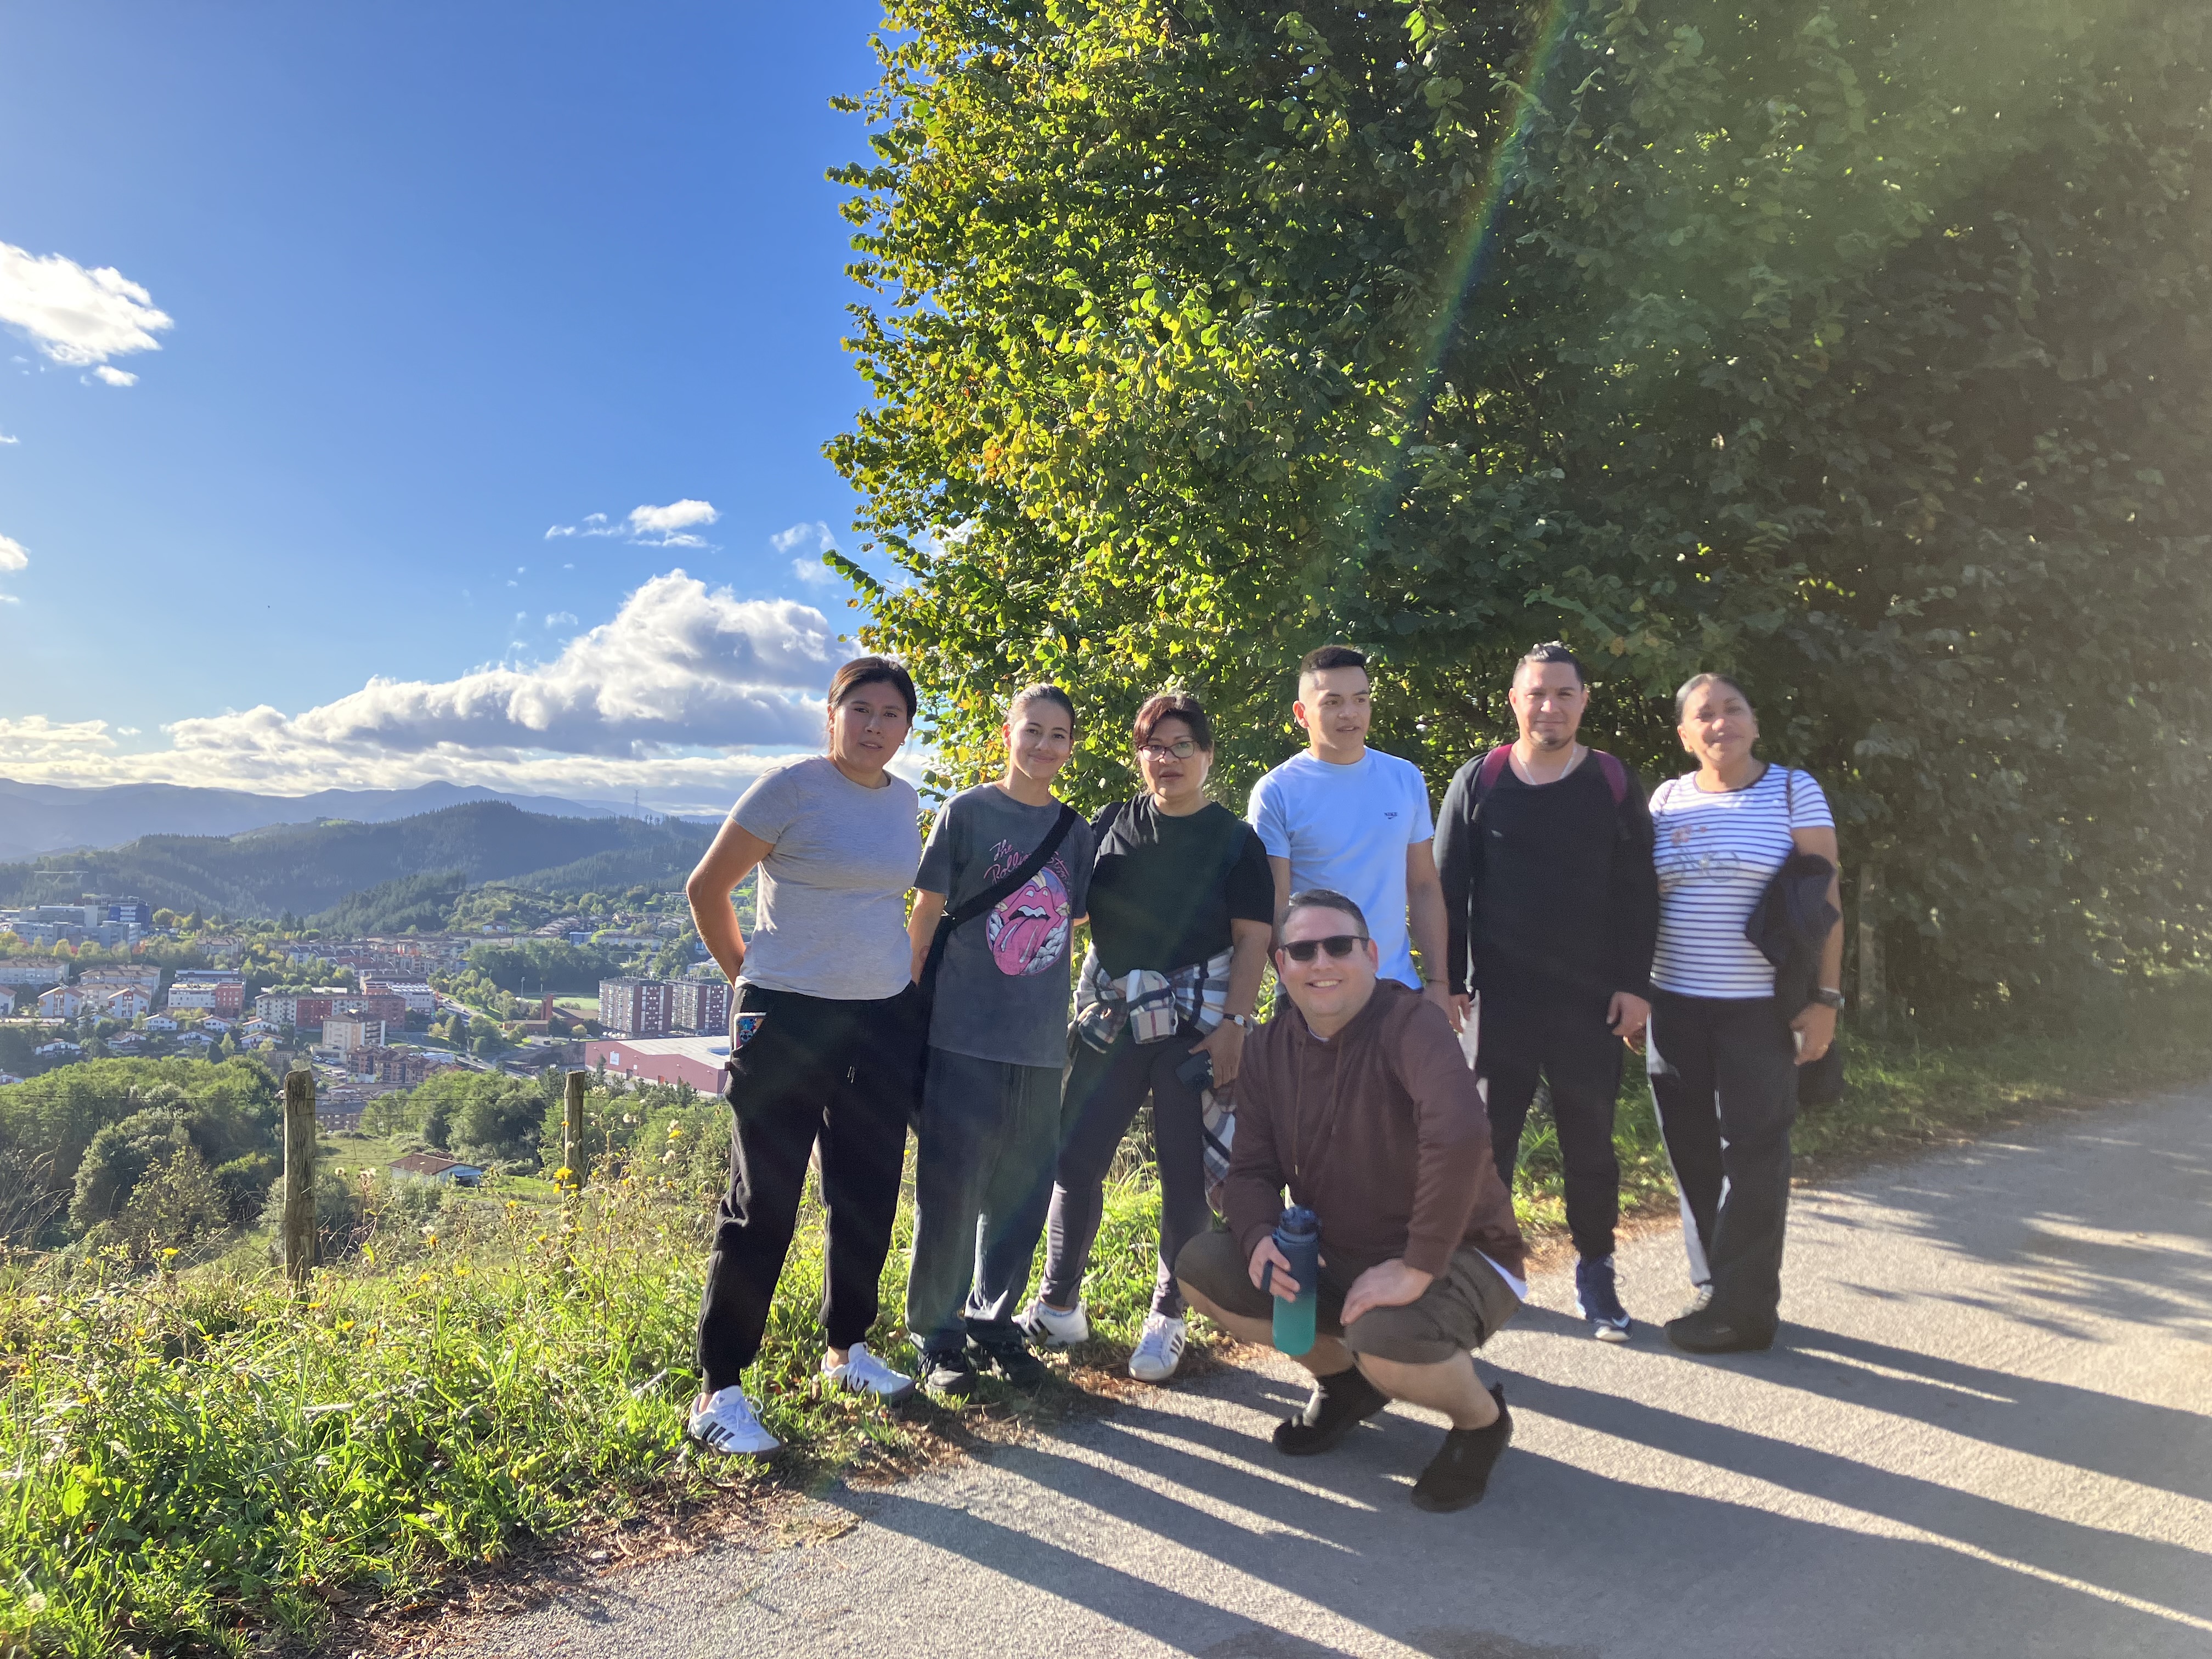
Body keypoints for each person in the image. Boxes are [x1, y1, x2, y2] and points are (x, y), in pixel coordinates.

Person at [1176, 889, 1528, 1513]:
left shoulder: (1412, 1024)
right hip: (1341, 1253)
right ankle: (1346, 1386)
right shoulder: (1268, 1048)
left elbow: (1460, 1133)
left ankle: (1481, 1421)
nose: (1321, 962)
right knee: (1205, 1269)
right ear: (1281, 965)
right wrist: (1258, 1239)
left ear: (1370, 954)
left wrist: (1417, 1264)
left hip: (1462, 1251)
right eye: (1303, 951)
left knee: (1382, 1338)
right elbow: (1250, 1171)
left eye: (1339, 946)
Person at [681, 655, 928, 1454]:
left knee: (867, 1192)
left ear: (906, 728)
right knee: (764, 1203)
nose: (874, 727)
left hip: (880, 1018)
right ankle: (719, 1391)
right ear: (832, 715)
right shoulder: (789, 788)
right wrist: (750, 978)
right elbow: (707, 889)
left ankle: (846, 1351)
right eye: (861, 710)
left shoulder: (905, 802)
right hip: (787, 1018)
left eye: (891, 715)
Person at [1015, 691, 1272, 1383]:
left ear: (1207, 755)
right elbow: (1065, 913)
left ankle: (1169, 1316)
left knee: (1183, 1176)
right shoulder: (1110, 825)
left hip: (1197, 1022)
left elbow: (1253, 940)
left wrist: (1235, 1027)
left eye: (1183, 745)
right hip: (1116, 1013)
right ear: (1139, 756)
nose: (1168, 759)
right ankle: (1059, 1305)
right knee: (1076, 1159)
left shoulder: (1236, 841)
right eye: (1155, 747)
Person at [1434, 641, 1659, 1341]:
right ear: (1515, 701)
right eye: (1537, 693)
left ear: (1584, 701)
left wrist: (1635, 987)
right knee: (1487, 1145)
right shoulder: (1480, 780)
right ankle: (1492, 1274)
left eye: (1564, 694)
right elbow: (1448, 890)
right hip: (1498, 1001)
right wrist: (1450, 983)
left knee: (1590, 1146)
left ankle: (1596, 1271)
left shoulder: (1613, 781)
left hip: (1590, 1003)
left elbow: (1639, 893)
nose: (1550, 707)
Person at [904, 684, 1096, 1398]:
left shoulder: (1075, 831)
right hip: (962, 1036)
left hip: (1040, 1044)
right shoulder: (967, 812)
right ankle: (937, 1335)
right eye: (1032, 730)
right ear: (1007, 733)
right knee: (951, 1194)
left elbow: (1071, 918)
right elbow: (925, 916)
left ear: (1071, 747)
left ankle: (993, 1321)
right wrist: (906, 1009)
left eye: (1059, 735)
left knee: (1022, 1193)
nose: (1044, 745)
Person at [1646, 671, 1843, 1354]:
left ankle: (1745, 1311)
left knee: (1755, 1154)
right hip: (1674, 1005)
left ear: (1755, 723)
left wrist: (1826, 1000)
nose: (1720, 723)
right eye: (1704, 714)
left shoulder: (1792, 790)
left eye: (1734, 709)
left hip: (1760, 1011)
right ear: (1685, 735)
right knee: (1691, 1150)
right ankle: (1717, 1286)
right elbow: (1641, 901)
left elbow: (1825, 903)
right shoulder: (1666, 799)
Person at [1247, 645, 1457, 1029]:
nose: (1350, 713)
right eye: (1333, 702)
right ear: (1302, 714)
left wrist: (1439, 983)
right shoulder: (1277, 791)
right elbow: (1274, 905)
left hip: (1397, 991)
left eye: (1360, 700)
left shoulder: (1404, 778)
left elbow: (1424, 886)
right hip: (1313, 995)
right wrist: (1302, 985)